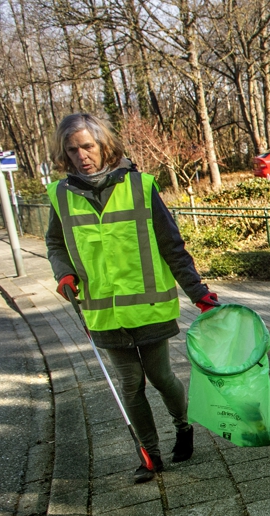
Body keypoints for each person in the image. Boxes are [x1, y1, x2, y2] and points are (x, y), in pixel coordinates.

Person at [46, 113, 219, 483]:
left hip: (148, 307)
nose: (82, 156)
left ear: (104, 145)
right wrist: (63, 272)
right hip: (101, 310)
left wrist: (198, 292)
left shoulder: (140, 186)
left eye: (88, 146)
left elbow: (172, 245)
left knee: (160, 377)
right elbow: (55, 242)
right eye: (73, 149)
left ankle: (183, 425)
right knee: (130, 384)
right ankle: (150, 456)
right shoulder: (61, 195)